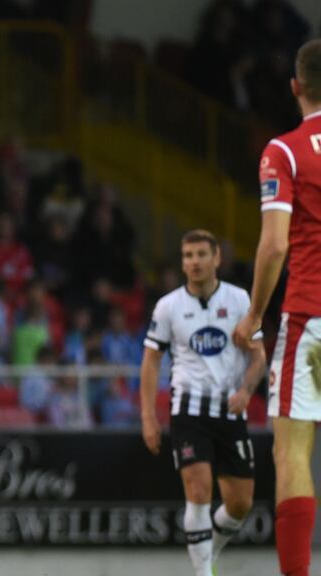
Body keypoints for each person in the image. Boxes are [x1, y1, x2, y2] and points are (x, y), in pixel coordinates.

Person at [233, 39, 321, 576]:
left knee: (291, 454)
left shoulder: (284, 150)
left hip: (309, 315)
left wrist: (252, 313)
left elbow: (275, 244)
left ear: (296, 87)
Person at [142, 230, 266, 576]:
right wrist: (148, 417)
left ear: (216, 259)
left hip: (229, 410)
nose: (193, 262)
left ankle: (207, 556)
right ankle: (203, 573)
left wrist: (247, 389)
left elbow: (259, 357)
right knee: (198, 490)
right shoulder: (168, 306)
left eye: (200, 254)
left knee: (240, 504)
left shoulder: (241, 300)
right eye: (187, 256)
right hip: (188, 411)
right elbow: (151, 361)